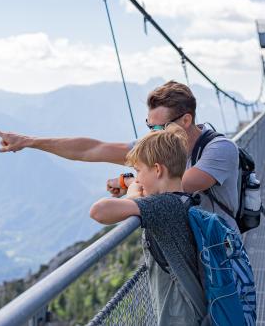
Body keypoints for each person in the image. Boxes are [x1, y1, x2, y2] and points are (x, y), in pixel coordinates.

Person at [0, 81, 240, 230]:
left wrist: (127, 182)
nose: (151, 134)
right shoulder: (158, 146)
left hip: (221, 258)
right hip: (188, 257)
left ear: (186, 120)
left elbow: (176, 186)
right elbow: (92, 149)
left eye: (157, 128)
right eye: (148, 126)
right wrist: (31, 141)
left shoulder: (219, 149)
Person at [89, 125, 208, 325]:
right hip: (192, 313)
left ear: (158, 169)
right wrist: (134, 184)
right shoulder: (182, 201)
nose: (138, 178)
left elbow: (99, 211)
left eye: (138, 171)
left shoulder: (163, 207)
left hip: (181, 318)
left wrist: (132, 194)